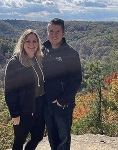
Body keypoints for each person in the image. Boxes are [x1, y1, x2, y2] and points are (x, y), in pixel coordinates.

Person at [42, 18, 82, 150]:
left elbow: (76, 80)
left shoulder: (71, 53)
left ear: (63, 33)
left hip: (63, 104)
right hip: (46, 103)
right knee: (52, 137)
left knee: (63, 139)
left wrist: (62, 101)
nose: (54, 34)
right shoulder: (42, 51)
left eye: (58, 31)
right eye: (51, 31)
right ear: (47, 32)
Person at [4, 29, 45, 150]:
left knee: (38, 137)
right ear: (22, 43)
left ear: (38, 43)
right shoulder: (15, 63)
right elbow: (10, 91)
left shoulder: (39, 59)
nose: (31, 44)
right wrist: (15, 114)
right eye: (28, 41)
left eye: (34, 41)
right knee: (19, 141)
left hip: (39, 107)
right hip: (24, 109)